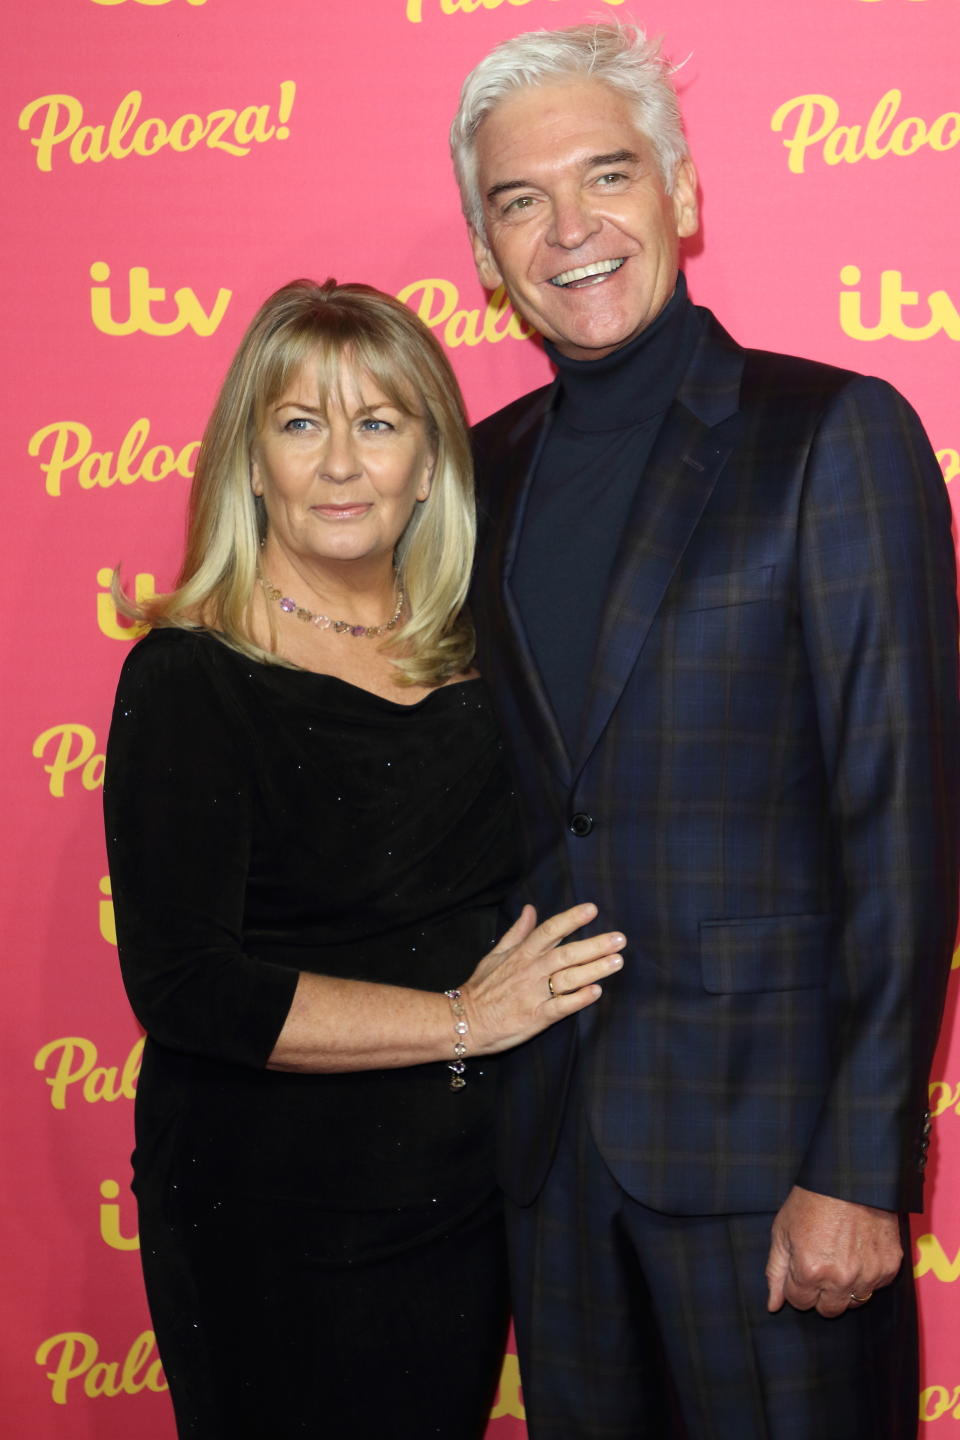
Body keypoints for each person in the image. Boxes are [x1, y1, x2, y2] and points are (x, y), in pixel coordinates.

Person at [449, 21, 959, 1440]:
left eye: (607, 175)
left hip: (774, 1175)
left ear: (681, 192)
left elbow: (900, 823)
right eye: (519, 200)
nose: (571, 230)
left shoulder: (834, 435)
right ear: (486, 253)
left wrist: (860, 1167)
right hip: (548, 1170)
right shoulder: (476, 476)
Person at [102, 278, 627, 1440]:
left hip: (456, 1204)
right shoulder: (190, 677)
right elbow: (189, 989)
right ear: (250, 463)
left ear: (432, 465)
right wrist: (461, 1021)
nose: (340, 464)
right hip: (263, 1212)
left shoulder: (489, 665)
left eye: (378, 424)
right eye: (300, 424)